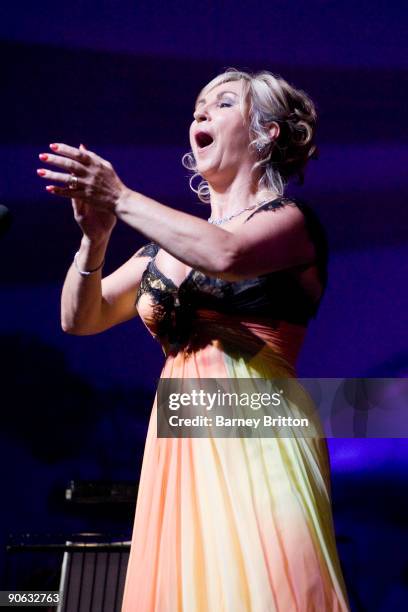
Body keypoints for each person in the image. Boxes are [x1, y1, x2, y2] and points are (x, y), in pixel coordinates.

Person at [37, 68, 350, 611]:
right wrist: (96, 240)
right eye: (197, 107)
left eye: (222, 104)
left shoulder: (290, 222)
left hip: (260, 436)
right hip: (181, 441)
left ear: (266, 132)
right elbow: (79, 319)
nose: (200, 114)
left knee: (264, 588)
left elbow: (226, 256)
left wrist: (121, 196)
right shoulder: (165, 250)